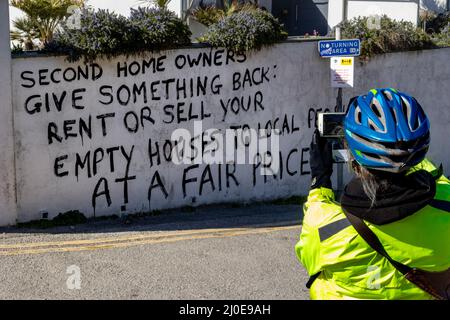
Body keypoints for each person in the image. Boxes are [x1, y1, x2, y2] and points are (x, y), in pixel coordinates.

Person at [295, 88, 450, 300]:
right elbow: (437, 180)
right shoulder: (445, 206)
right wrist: (402, 150)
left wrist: (319, 179)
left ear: (352, 158)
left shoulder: (325, 228)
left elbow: (308, 255)